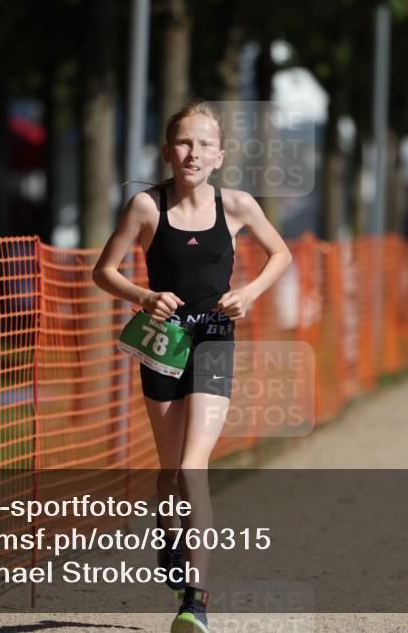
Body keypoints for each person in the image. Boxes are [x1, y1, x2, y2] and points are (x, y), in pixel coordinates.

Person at [91, 98, 292, 633]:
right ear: (167, 152)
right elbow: (103, 272)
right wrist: (143, 294)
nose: (193, 152)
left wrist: (247, 292)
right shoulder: (145, 208)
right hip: (163, 340)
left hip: (215, 338)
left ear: (220, 155)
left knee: (195, 466)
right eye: (184, 142)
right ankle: (168, 529)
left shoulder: (239, 205)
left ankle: (196, 602)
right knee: (170, 472)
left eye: (204, 143)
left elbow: (282, 254)